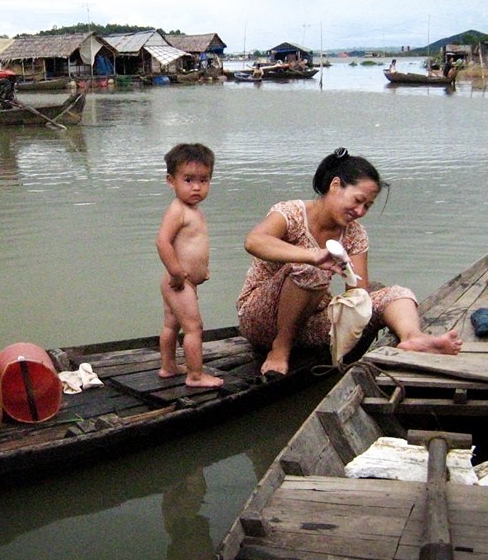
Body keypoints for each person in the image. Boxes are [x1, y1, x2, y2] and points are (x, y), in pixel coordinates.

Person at [236, 147, 462, 377]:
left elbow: (358, 296)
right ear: (335, 185)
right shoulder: (291, 213)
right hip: (260, 321)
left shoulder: (354, 234)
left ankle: (413, 337)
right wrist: (313, 256)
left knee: (394, 294)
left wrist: (350, 277)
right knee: (311, 270)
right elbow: (254, 241)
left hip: (308, 324)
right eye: (358, 201)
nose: (360, 211)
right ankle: (280, 350)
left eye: (367, 206)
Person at [156, 143, 224, 388]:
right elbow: (162, 241)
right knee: (194, 327)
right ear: (171, 181)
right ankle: (195, 375)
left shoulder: (194, 210)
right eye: (188, 180)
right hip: (178, 282)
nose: (196, 187)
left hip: (185, 281)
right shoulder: (178, 210)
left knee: (171, 325)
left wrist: (202, 271)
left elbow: (193, 246)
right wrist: (176, 272)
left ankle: (168, 366)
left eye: (203, 180)